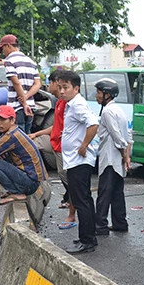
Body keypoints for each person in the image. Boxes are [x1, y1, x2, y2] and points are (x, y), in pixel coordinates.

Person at [56, 70, 99, 254]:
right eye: (59, 87)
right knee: (85, 200)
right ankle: (89, 236)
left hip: (79, 160)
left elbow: (93, 124)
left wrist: (84, 145)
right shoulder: (71, 104)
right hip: (75, 160)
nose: (62, 91)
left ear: (76, 88)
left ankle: (86, 240)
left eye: (65, 87)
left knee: (81, 201)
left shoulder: (78, 104)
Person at [29, 70, 76, 229]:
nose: (48, 86)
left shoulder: (69, 104)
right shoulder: (59, 103)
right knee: (66, 179)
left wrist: (81, 146)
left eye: (50, 83)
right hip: (56, 144)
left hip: (63, 148)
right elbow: (55, 127)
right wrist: (36, 133)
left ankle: (72, 215)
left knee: (71, 183)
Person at [0, 105, 47, 203]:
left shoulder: (11, 136)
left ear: (12, 120)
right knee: (1, 157)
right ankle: (14, 191)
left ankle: (16, 192)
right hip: (32, 181)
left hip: (30, 183)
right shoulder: (16, 131)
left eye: (2, 120)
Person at [93, 78, 132, 235]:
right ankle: (120, 222)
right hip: (115, 159)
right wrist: (126, 156)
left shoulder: (108, 112)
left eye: (98, 92)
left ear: (107, 94)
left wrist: (124, 155)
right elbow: (128, 136)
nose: (96, 95)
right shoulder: (119, 110)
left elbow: (118, 137)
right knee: (116, 193)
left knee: (104, 193)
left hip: (109, 159)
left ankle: (100, 226)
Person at [0, 34, 41, 133]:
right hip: (31, 106)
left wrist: (23, 102)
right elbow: (37, 84)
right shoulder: (31, 62)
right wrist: (26, 97)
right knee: (27, 137)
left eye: (2, 49)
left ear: (8, 46)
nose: (3, 52)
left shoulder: (9, 61)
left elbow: (16, 82)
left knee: (18, 137)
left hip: (17, 107)